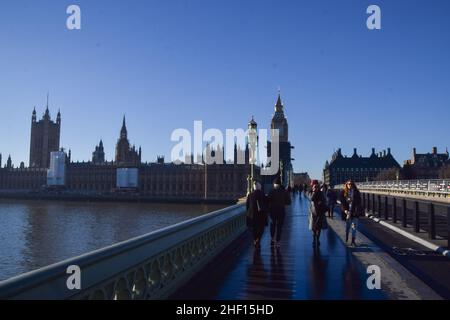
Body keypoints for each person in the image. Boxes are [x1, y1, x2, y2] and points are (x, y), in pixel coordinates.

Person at [268, 176, 291, 248]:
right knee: (279, 227)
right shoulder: (284, 191)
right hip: (281, 211)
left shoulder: (271, 191)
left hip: (272, 211)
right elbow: (289, 202)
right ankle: (277, 241)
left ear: (274, 184)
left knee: (272, 225)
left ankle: (272, 239)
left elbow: (268, 200)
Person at [339, 180, 362, 246]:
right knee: (347, 227)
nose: (350, 185)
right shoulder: (343, 193)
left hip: (354, 212)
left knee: (354, 227)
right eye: (349, 184)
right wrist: (345, 210)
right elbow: (342, 203)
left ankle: (353, 241)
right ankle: (346, 238)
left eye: (351, 184)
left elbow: (359, 202)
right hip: (347, 213)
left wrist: (357, 209)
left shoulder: (356, 192)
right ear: (346, 185)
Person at [246, 180, 268, 248]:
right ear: (259, 187)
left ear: (254, 187)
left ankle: (255, 239)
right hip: (261, 214)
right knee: (261, 228)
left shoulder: (250, 195)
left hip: (252, 215)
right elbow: (266, 204)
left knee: (254, 228)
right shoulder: (263, 194)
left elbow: (247, 206)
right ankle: (258, 239)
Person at [309, 180, 327, 246]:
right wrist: (314, 192)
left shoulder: (321, 193)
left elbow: (324, 200)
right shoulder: (311, 192)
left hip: (320, 212)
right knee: (313, 227)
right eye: (314, 186)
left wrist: (321, 202)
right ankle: (314, 239)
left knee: (319, 227)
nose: (315, 187)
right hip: (313, 212)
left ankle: (318, 239)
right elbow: (311, 199)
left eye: (316, 186)